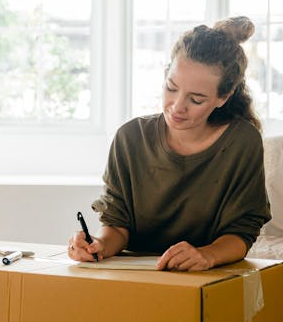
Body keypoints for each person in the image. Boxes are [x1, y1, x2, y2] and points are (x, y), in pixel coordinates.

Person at [68, 16, 271, 272]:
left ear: (224, 97)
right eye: (171, 88)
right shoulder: (130, 138)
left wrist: (205, 255)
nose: (177, 107)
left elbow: (242, 231)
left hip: (206, 276)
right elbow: (117, 225)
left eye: (196, 100)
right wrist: (97, 245)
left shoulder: (242, 142)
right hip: (134, 277)